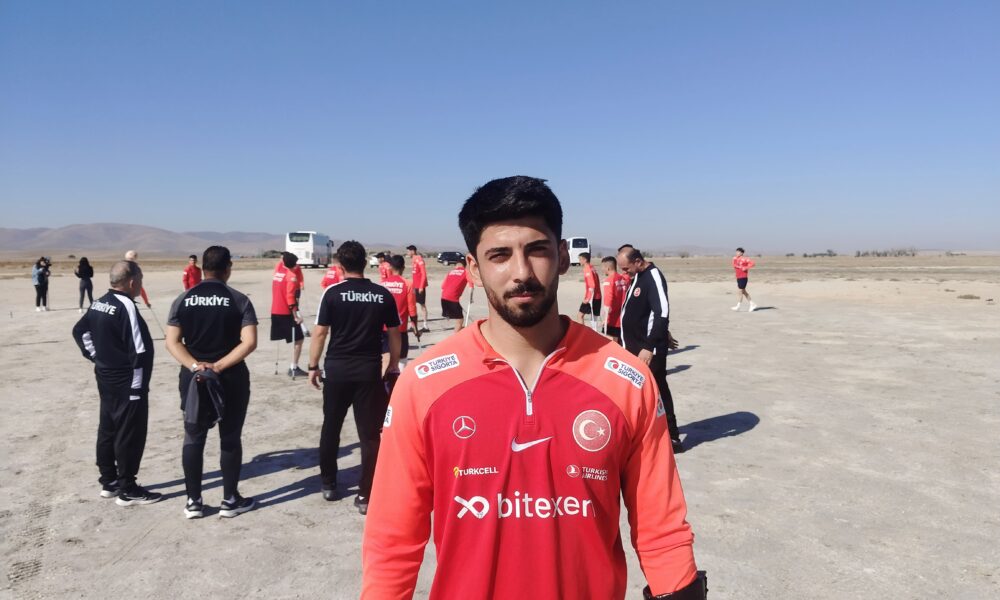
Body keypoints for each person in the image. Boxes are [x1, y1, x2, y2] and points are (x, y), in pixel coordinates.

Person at [362, 176, 703, 600]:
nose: (521, 273)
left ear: (562, 257)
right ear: (473, 268)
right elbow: (392, 538)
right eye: (499, 255)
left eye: (537, 250)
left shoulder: (626, 381)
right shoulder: (424, 385)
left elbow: (661, 529)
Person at [165, 246, 258, 519]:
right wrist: (217, 366)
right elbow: (249, 342)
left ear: (203, 268)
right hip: (230, 377)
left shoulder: (183, 299)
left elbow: (172, 342)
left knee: (194, 436)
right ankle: (230, 500)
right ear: (228, 268)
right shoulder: (239, 299)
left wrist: (195, 365)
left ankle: (193, 501)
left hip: (193, 378)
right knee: (230, 436)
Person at [307, 241, 400, 513]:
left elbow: (320, 332)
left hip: (337, 370)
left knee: (331, 427)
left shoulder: (332, 292)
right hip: (368, 371)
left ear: (340, 265)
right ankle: (365, 494)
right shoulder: (382, 294)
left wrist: (313, 366)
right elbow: (394, 333)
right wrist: (393, 364)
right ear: (366, 263)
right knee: (369, 435)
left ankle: (329, 484)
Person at [71, 260, 161, 506]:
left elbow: (80, 332)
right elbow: (139, 351)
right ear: (132, 282)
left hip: (106, 377)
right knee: (129, 432)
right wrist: (137, 387)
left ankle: (109, 481)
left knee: (108, 427)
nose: (140, 284)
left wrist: (98, 358)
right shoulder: (126, 306)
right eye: (140, 279)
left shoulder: (99, 302)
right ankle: (127, 488)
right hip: (127, 381)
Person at [617, 247, 684, 454]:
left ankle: (672, 437)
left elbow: (661, 312)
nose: (624, 273)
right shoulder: (637, 277)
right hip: (633, 348)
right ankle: (642, 434)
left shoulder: (653, 276)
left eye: (626, 268)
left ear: (638, 261)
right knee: (636, 394)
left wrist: (649, 345)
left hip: (648, 350)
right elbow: (644, 313)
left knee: (657, 391)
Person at [381, 255, 420, 388]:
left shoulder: (383, 284)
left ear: (391, 267)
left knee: (384, 360)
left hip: (383, 329)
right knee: (401, 360)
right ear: (403, 268)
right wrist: (415, 327)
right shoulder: (408, 284)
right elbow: (412, 310)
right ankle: (400, 388)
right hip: (400, 330)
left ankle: (383, 387)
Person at [271, 252, 306, 377]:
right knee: (299, 339)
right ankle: (294, 368)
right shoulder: (291, 276)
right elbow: (290, 298)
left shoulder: (278, 273)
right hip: (286, 312)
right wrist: (296, 316)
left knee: (295, 338)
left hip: (275, 310)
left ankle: (294, 367)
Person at [600, 255, 626, 344]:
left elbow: (608, 300)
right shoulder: (622, 279)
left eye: (603, 267)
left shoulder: (608, 281)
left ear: (608, 268)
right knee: (618, 341)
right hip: (622, 316)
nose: (602, 269)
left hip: (612, 319)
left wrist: (605, 319)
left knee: (611, 343)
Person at [406, 245, 429, 332]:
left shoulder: (419, 259)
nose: (407, 253)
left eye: (408, 251)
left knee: (422, 305)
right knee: (412, 305)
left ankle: (425, 326)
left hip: (419, 287)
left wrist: (421, 286)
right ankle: (413, 325)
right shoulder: (413, 259)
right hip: (414, 286)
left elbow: (423, 274)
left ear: (413, 251)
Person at [577, 252, 602, 328]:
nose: (579, 261)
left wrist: (588, 298)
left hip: (592, 297)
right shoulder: (592, 267)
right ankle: (593, 332)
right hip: (597, 296)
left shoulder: (587, 269)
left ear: (585, 260)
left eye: (580, 259)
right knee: (594, 319)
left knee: (580, 316)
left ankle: (582, 332)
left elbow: (592, 285)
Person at [732, 247, 757, 312]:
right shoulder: (734, 258)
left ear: (742, 253)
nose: (737, 253)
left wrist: (746, 267)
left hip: (743, 277)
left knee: (740, 291)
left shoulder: (745, 259)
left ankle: (738, 306)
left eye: (738, 252)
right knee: (743, 292)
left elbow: (753, 263)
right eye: (736, 252)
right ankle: (752, 304)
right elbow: (734, 265)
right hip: (738, 277)